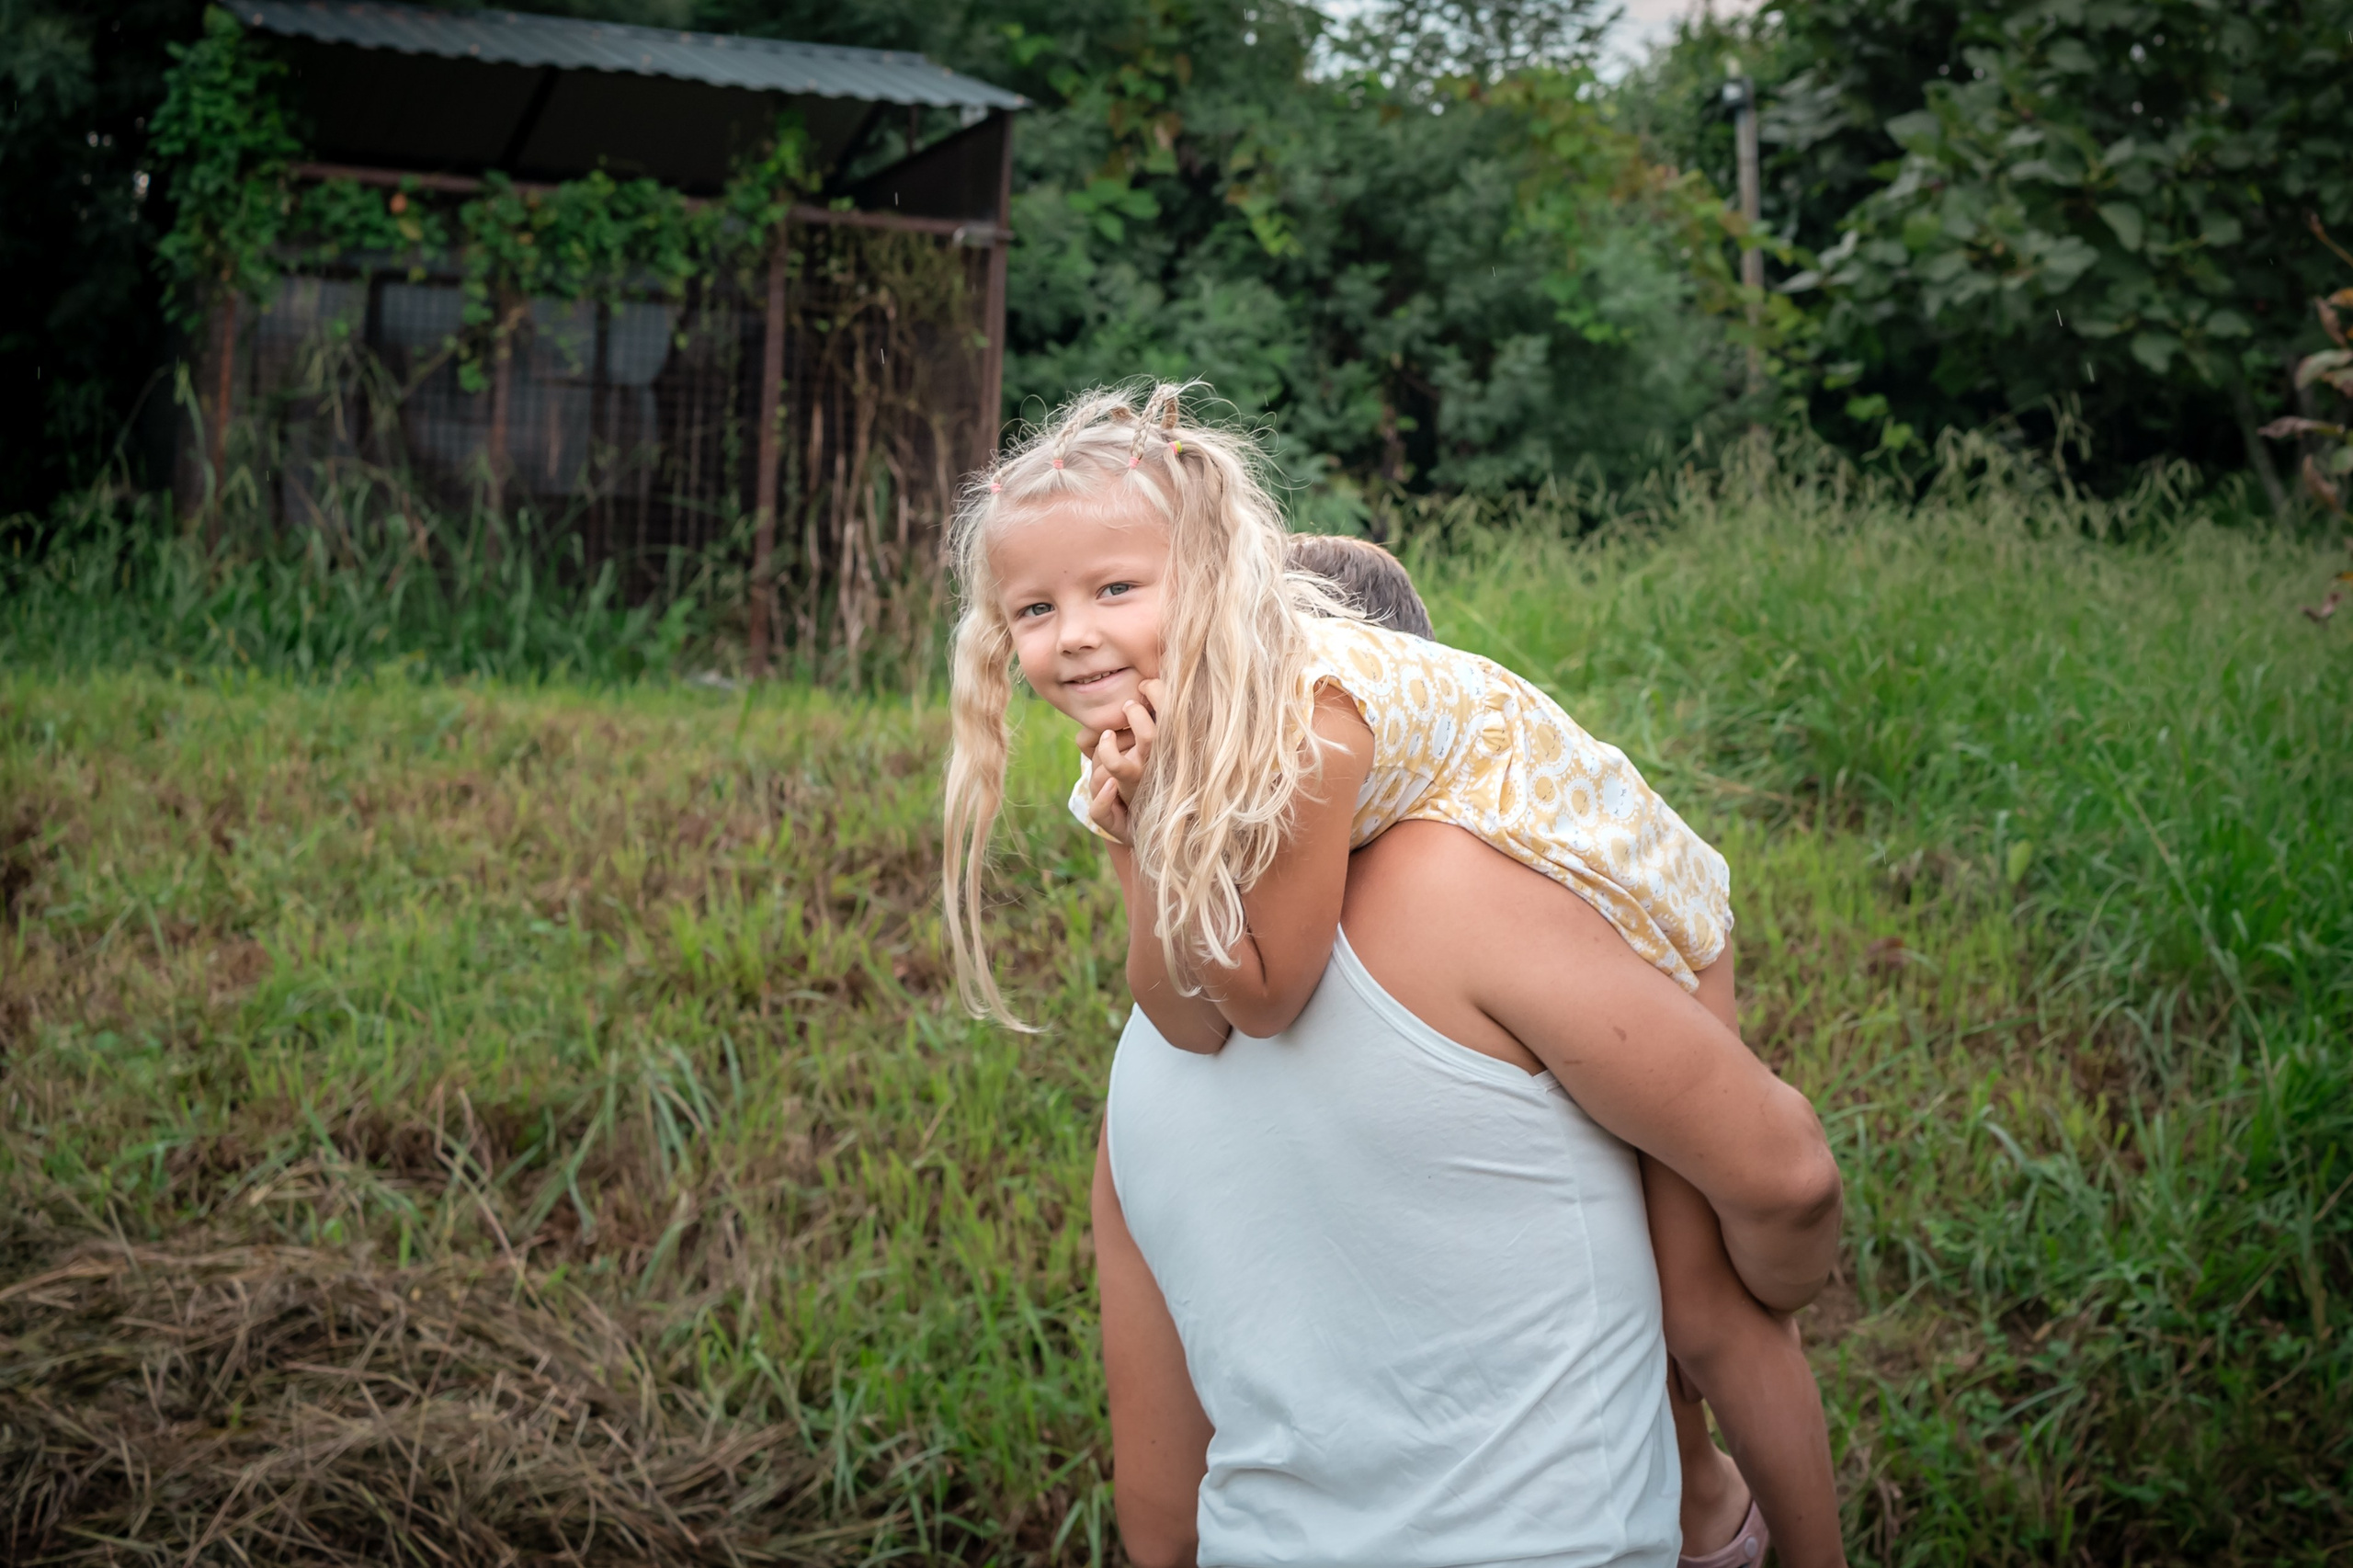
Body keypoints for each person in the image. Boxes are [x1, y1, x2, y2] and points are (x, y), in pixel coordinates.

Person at [940, 383, 1844, 1564]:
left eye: (1114, 589)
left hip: (1649, 902)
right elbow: (1190, 1012)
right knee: (1706, 1302)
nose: (1074, 634)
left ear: (1218, 593)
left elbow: (1257, 1001)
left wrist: (1166, 839)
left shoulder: (1323, 729)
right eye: (1036, 608)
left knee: (1709, 1306)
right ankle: (1704, 1504)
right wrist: (1141, 837)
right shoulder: (1179, 768)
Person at [1097, 820, 1845, 1567]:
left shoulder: (1141, 1074)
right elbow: (1794, 1187)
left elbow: (1167, 1531)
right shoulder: (1455, 892)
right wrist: (1767, 1307)